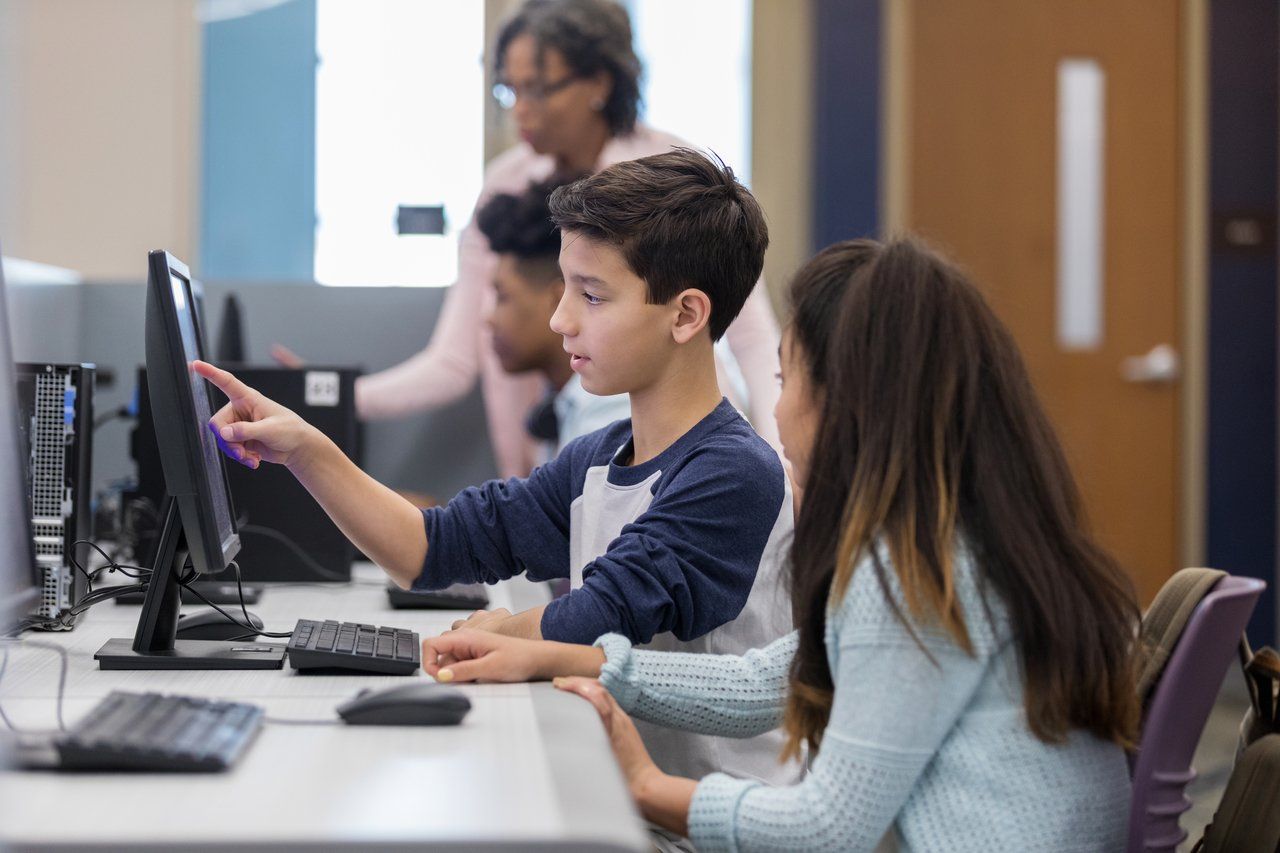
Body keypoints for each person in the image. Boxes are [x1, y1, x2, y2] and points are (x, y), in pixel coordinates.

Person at [418, 238, 1142, 851]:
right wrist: (564, 658)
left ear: (857, 406)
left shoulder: (919, 574)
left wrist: (647, 787)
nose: (781, 411)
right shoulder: (964, 543)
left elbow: (830, 827)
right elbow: (771, 680)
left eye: (788, 379)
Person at [196, 149, 795, 786]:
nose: (560, 319)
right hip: (629, 803)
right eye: (566, 288)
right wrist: (306, 449)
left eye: (591, 296)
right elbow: (429, 549)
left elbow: (602, 614)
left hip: (707, 821)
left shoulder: (733, 471)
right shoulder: (599, 457)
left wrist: (503, 628)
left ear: (686, 315)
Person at [345, 0, 782, 478]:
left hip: (663, 429)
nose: (521, 112)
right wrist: (332, 397)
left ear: (598, 82)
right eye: (510, 92)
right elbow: (453, 359)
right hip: (551, 436)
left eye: (538, 90)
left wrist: (780, 468)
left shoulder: (671, 172)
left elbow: (753, 337)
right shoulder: (504, 186)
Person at [474, 176, 629, 457]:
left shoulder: (608, 417)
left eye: (502, 296)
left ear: (558, 300)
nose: (489, 319)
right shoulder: (563, 402)